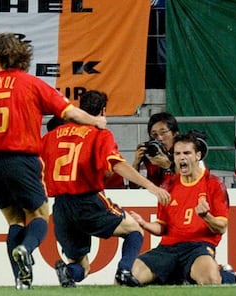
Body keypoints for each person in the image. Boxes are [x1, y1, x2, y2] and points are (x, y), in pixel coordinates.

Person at [0, 33, 107, 290]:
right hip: (22, 158)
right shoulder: (31, 83)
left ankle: (21, 280)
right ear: (20, 57)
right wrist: (96, 121)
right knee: (39, 213)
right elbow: (69, 111)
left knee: (14, 220)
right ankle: (26, 249)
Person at [41, 90, 171, 288]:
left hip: (61, 207)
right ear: (103, 111)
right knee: (134, 229)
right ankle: (124, 271)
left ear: (80, 108)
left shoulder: (52, 136)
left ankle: (68, 272)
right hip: (87, 200)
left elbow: (37, 165)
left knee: (82, 266)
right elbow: (116, 165)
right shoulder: (98, 133)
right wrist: (151, 186)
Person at [130, 133, 236, 285]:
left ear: (197, 156)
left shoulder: (213, 184)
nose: (182, 158)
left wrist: (206, 216)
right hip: (167, 249)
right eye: (177, 154)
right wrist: (144, 224)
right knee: (129, 277)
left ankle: (226, 276)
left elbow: (221, 227)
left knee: (210, 280)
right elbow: (162, 227)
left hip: (198, 247)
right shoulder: (168, 185)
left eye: (187, 153)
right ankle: (179, 277)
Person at [130, 112, 179, 188]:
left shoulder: (184, 153)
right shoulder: (149, 156)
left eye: (163, 133)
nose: (159, 138)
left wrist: (169, 167)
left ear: (175, 134)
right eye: (154, 135)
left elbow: (191, 182)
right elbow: (134, 188)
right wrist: (136, 164)